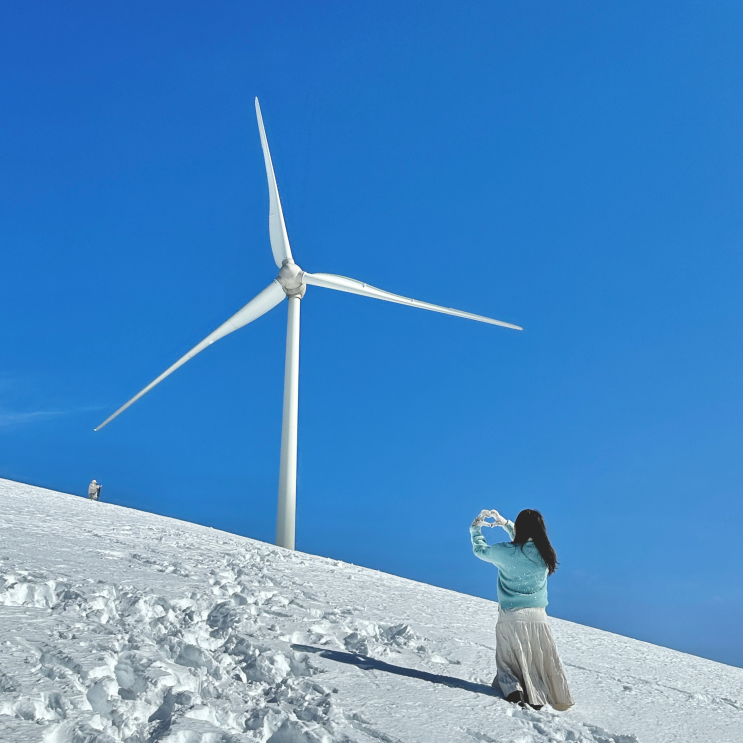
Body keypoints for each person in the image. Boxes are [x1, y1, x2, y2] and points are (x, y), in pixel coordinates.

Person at [470, 508, 573, 711]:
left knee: (508, 662)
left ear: (520, 527)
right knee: (539, 660)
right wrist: (506, 523)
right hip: (539, 618)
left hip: (511, 616)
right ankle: (540, 696)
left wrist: (475, 530)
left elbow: (480, 551)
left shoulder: (505, 552)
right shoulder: (545, 554)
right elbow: (525, 547)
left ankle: (515, 692)